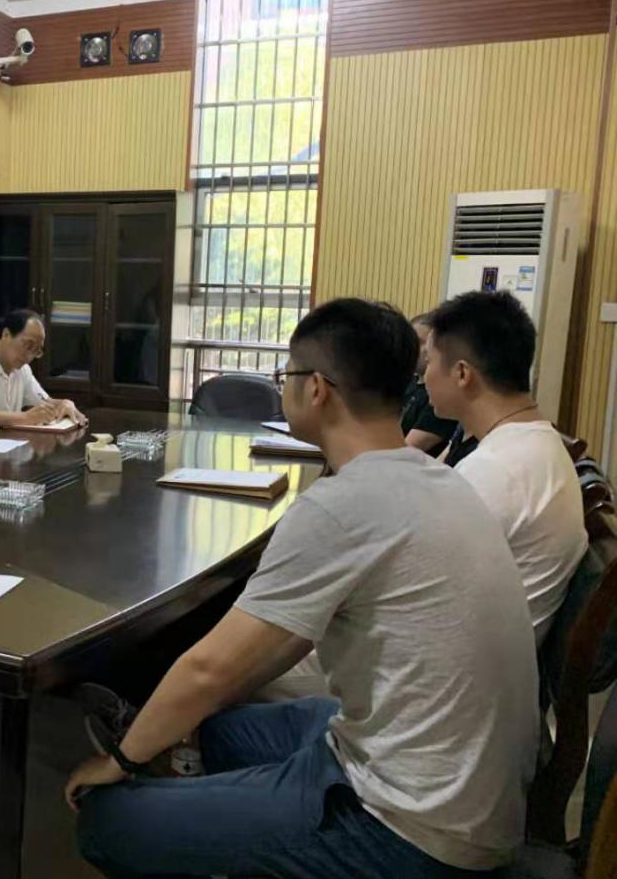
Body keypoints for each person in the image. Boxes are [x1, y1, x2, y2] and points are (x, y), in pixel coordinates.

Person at [67, 299, 537, 877]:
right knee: (210, 729)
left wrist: (119, 760)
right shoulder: (436, 477)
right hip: (464, 792)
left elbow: (211, 669)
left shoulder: (344, 505)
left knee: (107, 820)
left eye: (285, 375)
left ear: (316, 389)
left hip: (413, 832)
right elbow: (278, 645)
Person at [424, 289, 587, 643]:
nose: (423, 378)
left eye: (429, 362)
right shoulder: (535, 444)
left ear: (462, 373)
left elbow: (415, 586)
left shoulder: (496, 469)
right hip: (483, 650)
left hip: (458, 663)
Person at [0, 309, 88, 428]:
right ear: (6, 334)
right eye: (28, 345)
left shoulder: (22, 369)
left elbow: (45, 403)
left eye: (37, 351)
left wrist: (64, 404)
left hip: (1, 444)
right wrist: (25, 417)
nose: (30, 356)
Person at [402, 312, 458, 456]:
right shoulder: (408, 384)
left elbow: (409, 448)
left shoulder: (439, 396)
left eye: (420, 342)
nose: (412, 348)